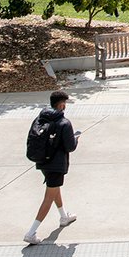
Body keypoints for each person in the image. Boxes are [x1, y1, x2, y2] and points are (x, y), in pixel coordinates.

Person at [23, 90, 80, 245]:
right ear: (61, 104)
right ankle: (31, 232)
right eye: (65, 104)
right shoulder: (64, 123)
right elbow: (70, 147)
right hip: (57, 165)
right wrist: (76, 139)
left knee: (54, 189)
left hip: (42, 162)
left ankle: (63, 216)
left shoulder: (40, 118)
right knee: (49, 197)